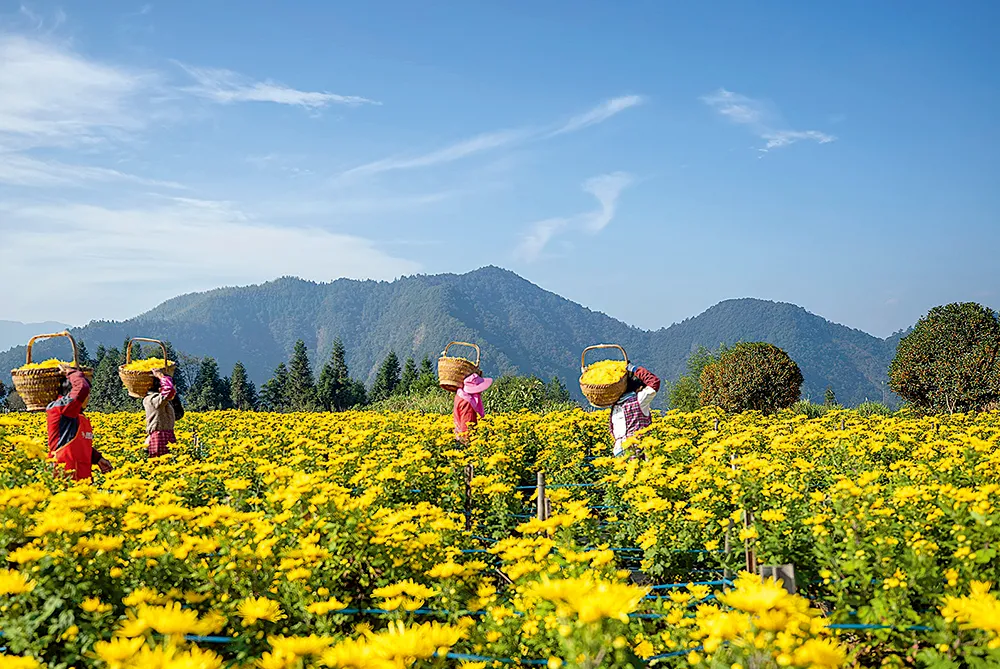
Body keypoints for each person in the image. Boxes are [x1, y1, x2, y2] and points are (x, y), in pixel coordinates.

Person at [46, 364, 112, 480]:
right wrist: (71, 372)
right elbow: (82, 388)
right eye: (87, 395)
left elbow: (78, 446)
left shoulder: (78, 415)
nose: (88, 397)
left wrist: (97, 459)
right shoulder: (61, 408)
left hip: (81, 478)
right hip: (64, 477)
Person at [610, 363, 661, 458]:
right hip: (639, 449)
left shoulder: (615, 404)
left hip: (619, 452)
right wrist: (633, 369)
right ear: (641, 388)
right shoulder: (640, 399)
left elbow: (612, 429)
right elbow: (654, 382)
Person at [143, 369, 177, 458]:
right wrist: (161, 376)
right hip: (159, 438)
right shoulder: (152, 400)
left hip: (166, 436)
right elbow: (169, 390)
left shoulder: (161, 401)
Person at [453, 373, 493, 445]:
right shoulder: (467, 402)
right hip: (464, 440)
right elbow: (467, 425)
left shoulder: (460, 394)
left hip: (458, 435)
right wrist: (468, 444)